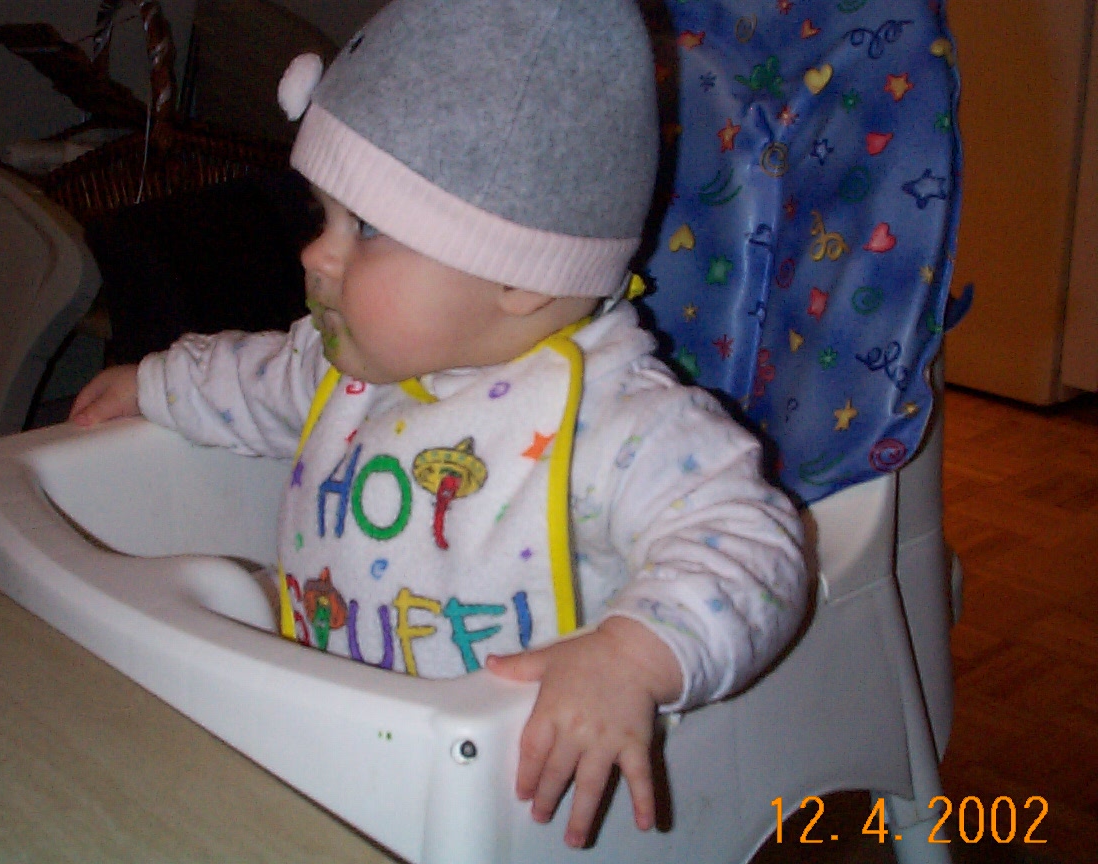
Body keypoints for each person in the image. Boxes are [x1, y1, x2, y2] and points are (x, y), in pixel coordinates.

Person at [70, 0, 807, 849]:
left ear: (520, 275)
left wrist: (632, 659)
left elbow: (754, 545)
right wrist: (156, 383)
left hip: (502, 794)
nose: (316, 253)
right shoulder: (353, 364)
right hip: (329, 738)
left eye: (366, 228)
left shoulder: (619, 422)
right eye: (323, 216)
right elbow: (257, 379)